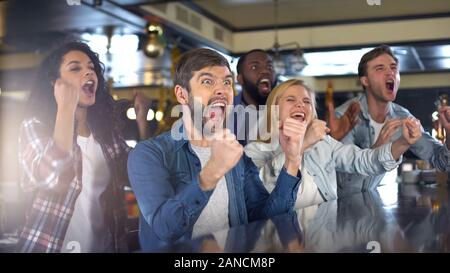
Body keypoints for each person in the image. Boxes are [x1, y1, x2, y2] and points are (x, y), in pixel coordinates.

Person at [127, 48, 303, 252]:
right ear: (182, 95)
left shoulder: (236, 155)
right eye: (207, 81)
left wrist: (292, 160)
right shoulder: (148, 154)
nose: (221, 90)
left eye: (227, 82)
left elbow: (265, 219)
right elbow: (164, 229)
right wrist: (212, 171)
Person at [16, 41, 150, 253]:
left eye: (91, 67)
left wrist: (143, 122)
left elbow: (138, 176)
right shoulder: (35, 126)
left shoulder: (105, 134)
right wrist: (65, 110)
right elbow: (53, 179)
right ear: (54, 83)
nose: (88, 73)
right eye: (75, 68)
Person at [244, 79, 422, 209]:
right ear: (274, 109)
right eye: (290, 100)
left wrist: (402, 143)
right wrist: (302, 145)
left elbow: (362, 160)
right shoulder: (254, 150)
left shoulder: (323, 144)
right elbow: (255, 192)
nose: (300, 105)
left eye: (306, 102)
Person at [334, 45, 450, 192]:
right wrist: (377, 150)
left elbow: (443, 163)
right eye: (380, 68)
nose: (390, 73)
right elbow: (344, 183)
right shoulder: (344, 116)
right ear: (365, 80)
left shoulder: (403, 118)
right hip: (338, 208)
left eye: (394, 67)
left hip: (371, 205)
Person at [234, 49, 360, 145]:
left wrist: (331, 138)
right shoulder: (227, 115)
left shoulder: (291, 112)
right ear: (240, 79)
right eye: (254, 67)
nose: (265, 71)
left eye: (270, 67)